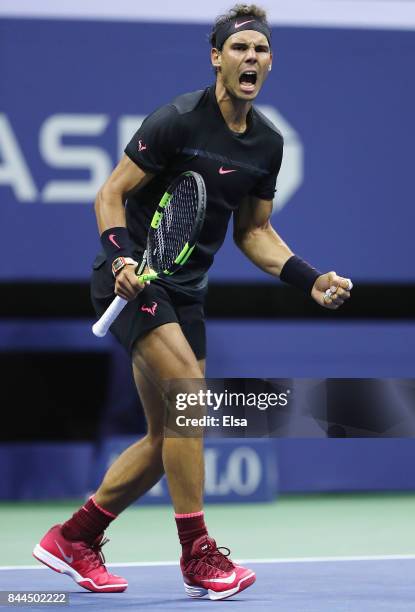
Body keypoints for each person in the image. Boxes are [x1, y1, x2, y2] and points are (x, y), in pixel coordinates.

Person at [33, 3, 352, 601]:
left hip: (185, 292)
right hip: (127, 278)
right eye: (239, 48)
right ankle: (197, 554)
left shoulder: (268, 143)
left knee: (167, 438)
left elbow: (254, 232)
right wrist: (121, 256)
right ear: (217, 57)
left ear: (269, 62)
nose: (250, 57)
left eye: (260, 49)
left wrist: (307, 278)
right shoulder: (178, 120)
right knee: (192, 404)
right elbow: (110, 194)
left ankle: (73, 539)